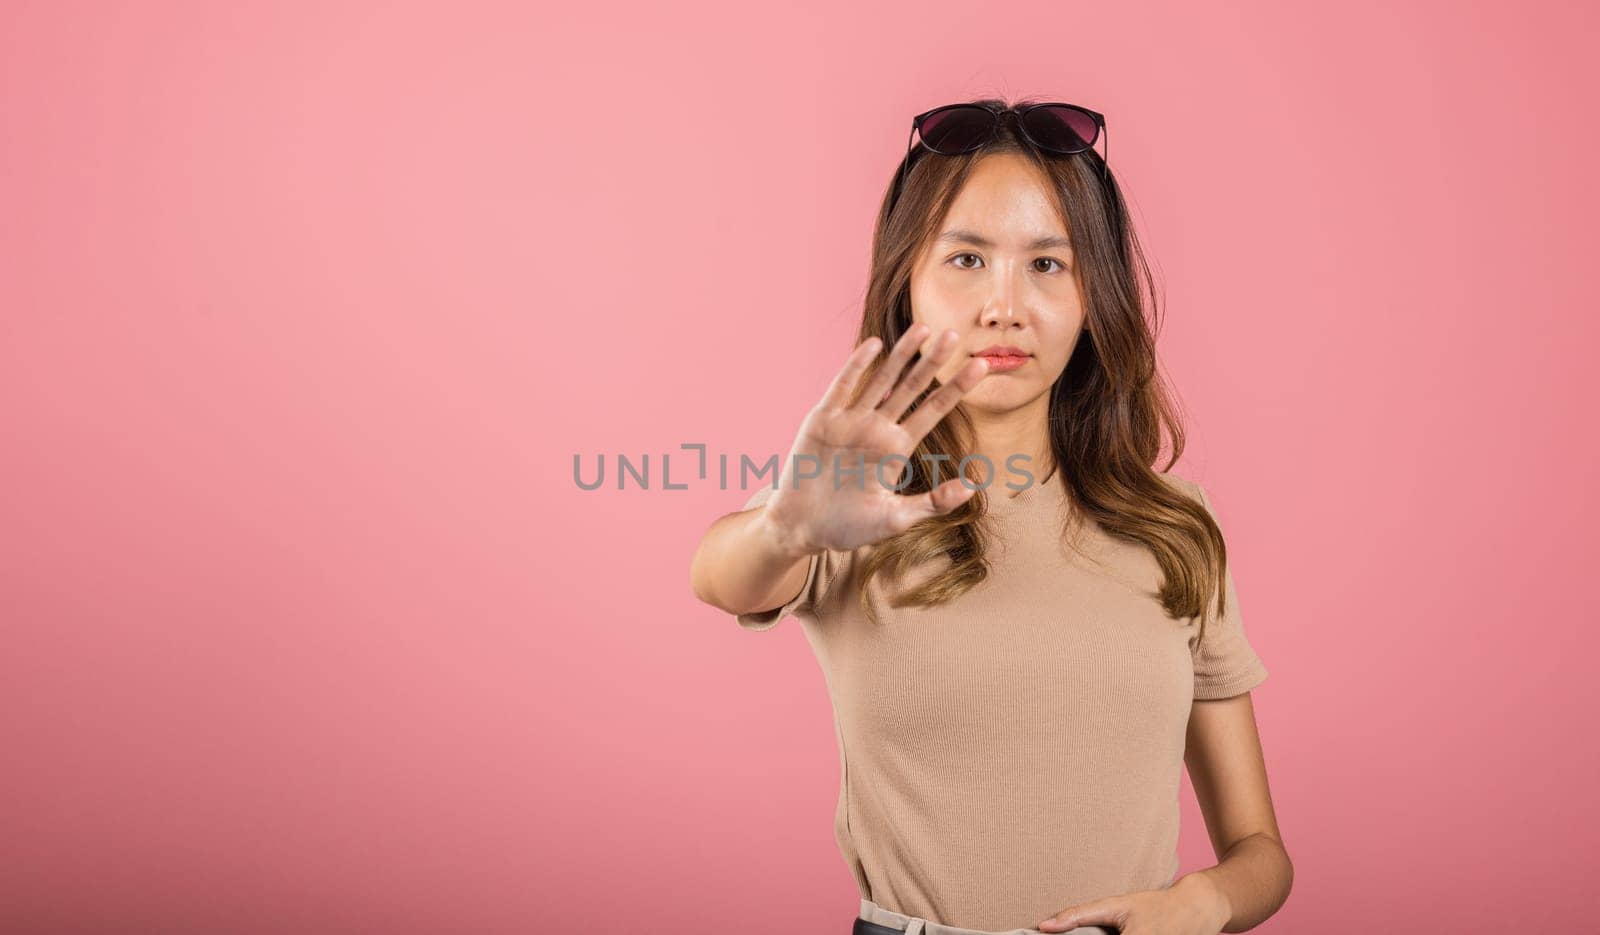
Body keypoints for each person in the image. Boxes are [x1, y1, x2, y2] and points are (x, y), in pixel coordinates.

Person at [690, 98, 1292, 935]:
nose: (1004, 307)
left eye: (1049, 264)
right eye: (966, 259)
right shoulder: (855, 503)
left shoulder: (1177, 528)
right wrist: (785, 530)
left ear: (1096, 296)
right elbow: (720, 573)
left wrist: (1209, 898)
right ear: (908, 280)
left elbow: (1261, 850)